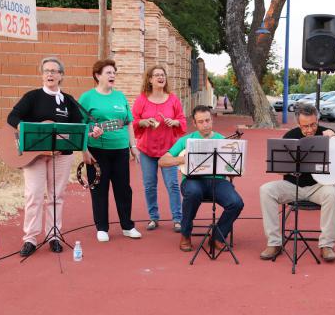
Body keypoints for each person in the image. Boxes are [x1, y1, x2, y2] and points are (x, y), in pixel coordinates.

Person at [7, 57, 102, 257]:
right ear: (42, 74)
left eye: (54, 71)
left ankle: (54, 235)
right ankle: (30, 239)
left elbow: (78, 126)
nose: (50, 74)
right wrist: (29, 129)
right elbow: (12, 117)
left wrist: (91, 133)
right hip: (35, 156)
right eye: (46, 71)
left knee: (56, 196)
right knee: (33, 195)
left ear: (61, 75)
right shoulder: (32, 97)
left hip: (62, 155)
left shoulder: (69, 100)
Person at [259, 104, 335, 262]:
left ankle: (326, 245)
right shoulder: (290, 135)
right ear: (298, 124)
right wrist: (283, 166)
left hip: (319, 186)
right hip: (292, 185)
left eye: (313, 124)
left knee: (333, 194)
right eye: (305, 126)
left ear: (317, 120)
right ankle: (274, 242)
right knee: (266, 190)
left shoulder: (328, 134)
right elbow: (280, 172)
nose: (310, 129)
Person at [159, 105, 244, 252]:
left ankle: (217, 237)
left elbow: (232, 171)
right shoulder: (185, 140)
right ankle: (185, 234)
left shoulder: (222, 140)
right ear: (194, 123)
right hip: (192, 180)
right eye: (201, 122)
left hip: (217, 181)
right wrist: (183, 159)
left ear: (212, 120)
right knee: (193, 193)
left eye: (208, 120)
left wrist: (233, 167)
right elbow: (162, 161)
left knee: (236, 203)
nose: (205, 125)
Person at [80, 59, 142, 242]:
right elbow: (80, 125)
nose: (112, 75)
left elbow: (129, 122)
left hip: (120, 150)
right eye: (108, 72)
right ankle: (102, 227)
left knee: (123, 189)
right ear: (98, 76)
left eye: (114, 72)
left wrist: (133, 146)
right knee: (99, 188)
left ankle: (127, 226)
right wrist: (84, 150)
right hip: (97, 151)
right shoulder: (87, 98)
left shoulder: (120, 96)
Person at [132, 65, 187, 232]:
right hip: (147, 149)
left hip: (168, 151)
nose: (160, 77)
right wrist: (143, 122)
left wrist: (174, 122)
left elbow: (182, 121)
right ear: (149, 79)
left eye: (162, 75)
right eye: (156, 75)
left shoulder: (173, 99)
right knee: (149, 185)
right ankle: (153, 217)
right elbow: (133, 121)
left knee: (172, 185)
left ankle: (178, 219)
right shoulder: (141, 99)